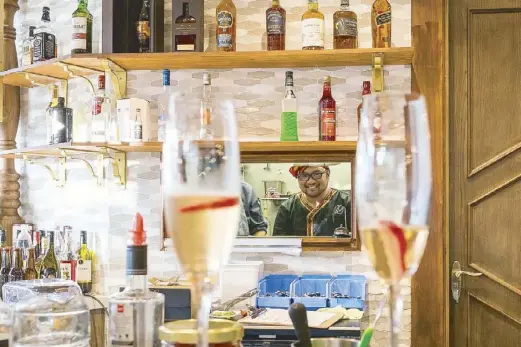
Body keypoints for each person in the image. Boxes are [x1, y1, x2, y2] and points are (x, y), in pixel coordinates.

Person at [273, 164, 351, 237]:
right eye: (304, 175)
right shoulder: (287, 208)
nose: (311, 181)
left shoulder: (347, 203)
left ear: (327, 175)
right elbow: (278, 246)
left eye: (317, 174)